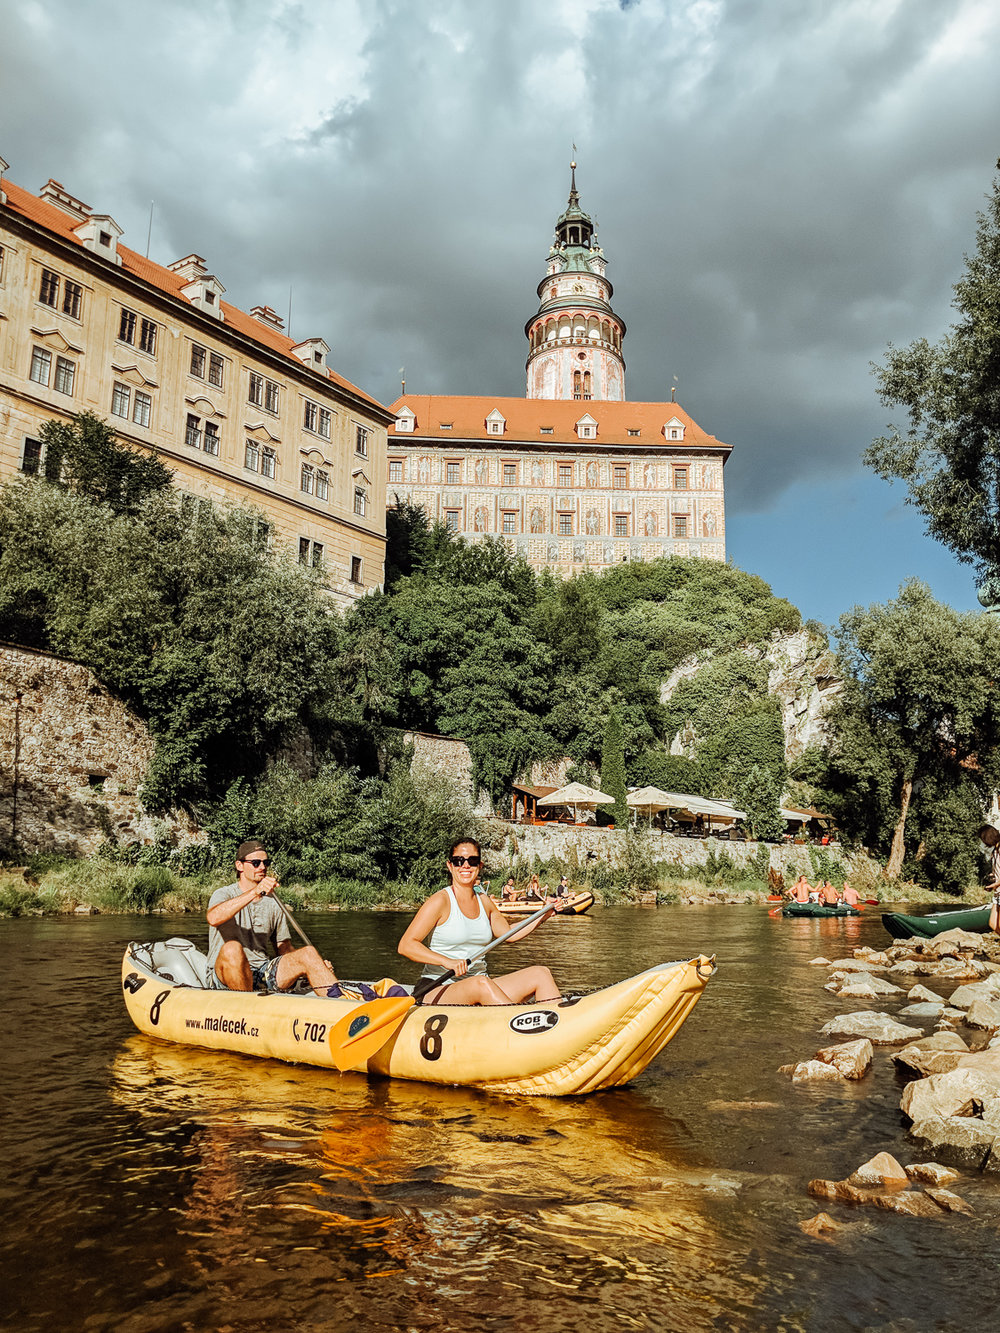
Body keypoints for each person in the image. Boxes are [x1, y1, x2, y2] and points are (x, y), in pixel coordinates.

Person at [398, 837, 562, 1006]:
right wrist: (446, 961)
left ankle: (556, 1025)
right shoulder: (440, 901)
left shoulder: (484, 901)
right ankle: (516, 1023)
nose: (465, 866)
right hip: (437, 988)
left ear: (480, 866)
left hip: (481, 985)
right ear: (450, 865)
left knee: (540, 974)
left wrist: (544, 914)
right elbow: (406, 945)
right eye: (458, 861)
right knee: (480, 984)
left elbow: (508, 933)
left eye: (472, 861)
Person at [207, 841, 340, 995]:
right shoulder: (224, 894)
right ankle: (247, 1007)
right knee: (232, 949)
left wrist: (316, 964)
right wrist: (255, 892)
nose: (263, 867)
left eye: (266, 862)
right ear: (240, 866)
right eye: (256, 863)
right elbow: (213, 918)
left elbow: (283, 948)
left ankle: (343, 1003)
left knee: (309, 953)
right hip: (224, 975)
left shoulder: (273, 902)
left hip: (262, 971)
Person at [979, 825, 1000, 932]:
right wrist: (993, 877)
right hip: (998, 893)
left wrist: (996, 884)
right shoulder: (995, 851)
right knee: (993, 924)